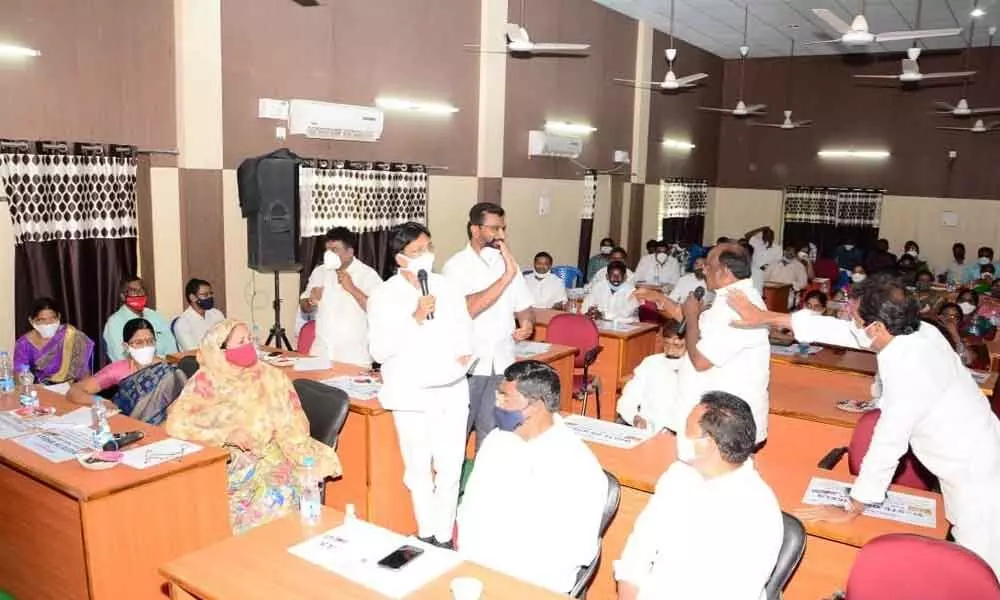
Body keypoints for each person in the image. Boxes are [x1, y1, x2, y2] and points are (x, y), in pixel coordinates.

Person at [727, 272, 1000, 580]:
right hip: (973, 456)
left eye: (856, 317)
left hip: (976, 476)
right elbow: (846, 332)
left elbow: (888, 442)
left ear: (878, 326)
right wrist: (765, 316)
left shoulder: (912, 367)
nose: (851, 322)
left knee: (981, 570)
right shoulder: (916, 331)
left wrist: (853, 507)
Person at [166, 320, 341, 535]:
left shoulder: (270, 376)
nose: (248, 345)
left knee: (274, 496)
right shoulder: (205, 380)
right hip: (220, 458)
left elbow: (293, 423)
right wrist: (225, 434)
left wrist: (286, 452)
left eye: (250, 339)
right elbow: (177, 423)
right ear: (220, 349)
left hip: (270, 455)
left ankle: (263, 554)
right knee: (191, 499)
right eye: (241, 341)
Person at [614, 391, 783, 600]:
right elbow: (637, 552)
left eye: (686, 431)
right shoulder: (678, 476)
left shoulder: (758, 511)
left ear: (709, 444)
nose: (679, 437)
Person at [457, 360, 607, 594]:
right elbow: (469, 509)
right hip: (482, 566)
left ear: (535, 406)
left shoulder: (576, 464)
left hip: (536, 581)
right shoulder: (497, 441)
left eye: (505, 398)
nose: (497, 404)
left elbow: (578, 549)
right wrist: (471, 563)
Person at [370, 222, 473, 548]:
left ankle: (445, 537)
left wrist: (465, 354)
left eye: (427, 248)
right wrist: (413, 317)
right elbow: (379, 350)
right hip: (412, 396)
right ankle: (427, 533)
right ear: (399, 258)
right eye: (416, 252)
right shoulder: (384, 295)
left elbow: (465, 329)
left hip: (452, 390)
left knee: (451, 468)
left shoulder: (447, 286)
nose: (425, 256)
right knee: (418, 470)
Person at [635, 244, 770, 443]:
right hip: (713, 420)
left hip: (725, 426)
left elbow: (700, 360)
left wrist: (691, 316)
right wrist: (658, 298)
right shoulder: (731, 298)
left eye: (708, 265)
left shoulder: (737, 308)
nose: (703, 269)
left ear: (724, 270)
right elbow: (696, 323)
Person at [443, 203, 533, 452]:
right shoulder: (456, 266)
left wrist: (526, 322)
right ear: (475, 229)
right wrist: (505, 277)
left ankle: (484, 484)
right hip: (469, 363)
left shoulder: (507, 263)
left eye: (503, 229)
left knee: (492, 432)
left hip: (501, 361)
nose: (501, 235)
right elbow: (468, 309)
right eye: (494, 229)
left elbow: (523, 306)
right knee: (458, 430)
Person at [69, 318, 186, 424]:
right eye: (139, 342)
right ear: (126, 347)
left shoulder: (167, 372)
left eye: (150, 341)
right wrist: (100, 401)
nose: (146, 346)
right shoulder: (118, 369)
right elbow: (75, 390)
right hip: (125, 426)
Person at [299, 227, 383, 366]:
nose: (329, 254)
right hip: (320, 352)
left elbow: (378, 310)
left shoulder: (367, 275)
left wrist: (352, 288)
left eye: (335, 249)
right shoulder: (320, 272)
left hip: (354, 358)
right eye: (327, 250)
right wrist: (310, 301)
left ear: (350, 251)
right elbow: (304, 308)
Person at [617, 320, 691, 432]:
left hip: (678, 433)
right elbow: (628, 399)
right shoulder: (651, 363)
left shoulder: (694, 368)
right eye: (666, 344)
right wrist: (634, 418)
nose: (670, 350)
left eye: (677, 345)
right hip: (647, 428)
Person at [13, 297, 94, 384]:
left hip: (71, 388)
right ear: (31, 321)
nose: (48, 324)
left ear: (59, 317)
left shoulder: (71, 336)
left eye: (52, 318)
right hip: (39, 390)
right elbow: (19, 374)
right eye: (42, 320)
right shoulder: (23, 344)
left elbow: (85, 373)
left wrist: (83, 391)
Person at [103, 276, 177, 361]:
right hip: (134, 371)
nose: (139, 294)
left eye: (142, 290)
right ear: (123, 296)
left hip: (166, 366)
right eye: (134, 291)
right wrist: (156, 361)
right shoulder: (115, 323)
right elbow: (121, 358)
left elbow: (172, 348)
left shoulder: (155, 315)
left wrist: (166, 361)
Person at [174, 278, 226, 351]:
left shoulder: (217, 314)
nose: (210, 297)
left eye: (211, 294)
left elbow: (226, 339)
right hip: (198, 360)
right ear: (193, 297)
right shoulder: (182, 323)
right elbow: (193, 351)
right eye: (205, 295)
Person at [744, 226, 782, 292]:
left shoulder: (777, 248)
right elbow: (747, 235)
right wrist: (760, 229)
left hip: (768, 274)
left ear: (773, 237)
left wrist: (766, 268)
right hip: (754, 273)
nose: (767, 238)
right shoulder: (757, 243)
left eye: (769, 236)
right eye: (765, 235)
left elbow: (777, 263)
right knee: (753, 292)